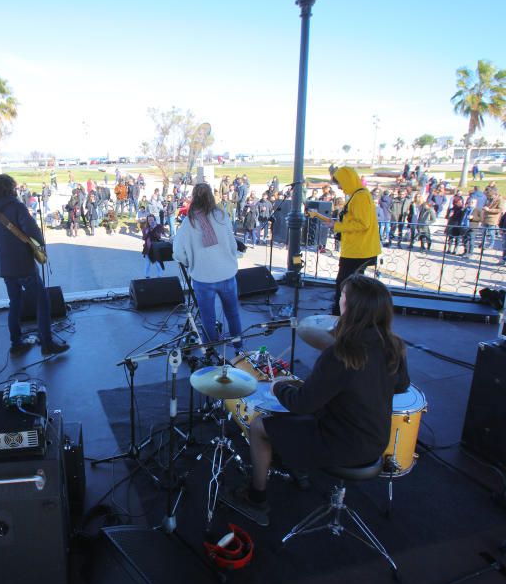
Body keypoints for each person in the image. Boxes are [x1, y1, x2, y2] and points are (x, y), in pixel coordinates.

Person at [221, 275, 410, 526]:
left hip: (342, 444)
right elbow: (401, 384)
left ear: (351, 307)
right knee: (296, 419)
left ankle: (256, 498)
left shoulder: (341, 354)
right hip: (376, 441)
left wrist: (278, 386)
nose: (339, 300)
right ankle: (295, 462)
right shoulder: (393, 345)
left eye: (342, 296)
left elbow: (302, 403)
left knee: (259, 425)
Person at [0, 174, 69, 356]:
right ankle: (47, 344)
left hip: (5, 266)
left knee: (15, 302)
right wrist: (40, 247)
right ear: (11, 188)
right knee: (42, 302)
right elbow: (33, 233)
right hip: (23, 264)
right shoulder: (16, 207)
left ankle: (16, 343)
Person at [172, 182, 242, 352]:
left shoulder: (189, 223)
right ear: (211, 196)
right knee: (232, 313)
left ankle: (211, 351)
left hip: (203, 279)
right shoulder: (222, 216)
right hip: (227, 274)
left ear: (194, 198)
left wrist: (189, 262)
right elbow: (233, 246)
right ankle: (239, 347)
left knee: (207, 318)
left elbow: (178, 252)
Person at [313, 168, 381, 315]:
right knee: (350, 284)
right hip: (355, 249)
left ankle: (340, 316)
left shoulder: (361, 197)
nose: (340, 188)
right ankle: (350, 314)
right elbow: (354, 220)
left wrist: (336, 226)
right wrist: (334, 223)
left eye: (340, 183)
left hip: (359, 250)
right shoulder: (357, 196)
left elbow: (363, 224)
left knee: (344, 284)